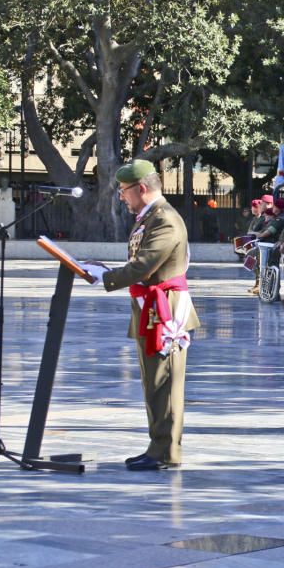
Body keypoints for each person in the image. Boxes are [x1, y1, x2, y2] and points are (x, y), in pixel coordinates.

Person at [80, 160, 200, 471]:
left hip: (166, 309)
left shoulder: (165, 220)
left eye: (123, 190)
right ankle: (157, 446)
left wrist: (104, 278)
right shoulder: (151, 217)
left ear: (141, 189)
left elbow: (145, 264)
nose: (121, 196)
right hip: (151, 306)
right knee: (153, 381)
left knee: (166, 382)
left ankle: (167, 451)